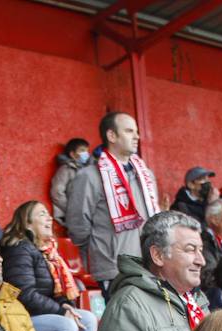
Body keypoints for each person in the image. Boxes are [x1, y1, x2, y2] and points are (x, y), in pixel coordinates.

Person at [0, 200, 98, 331]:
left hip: (39, 314)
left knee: (87, 319)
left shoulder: (45, 253)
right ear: (27, 223)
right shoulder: (19, 249)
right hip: (18, 319)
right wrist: (60, 311)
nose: (49, 219)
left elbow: (52, 293)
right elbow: (24, 294)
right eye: (42, 214)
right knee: (66, 325)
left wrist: (65, 306)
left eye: (48, 214)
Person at [66, 111, 158, 290]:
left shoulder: (145, 175)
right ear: (112, 135)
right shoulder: (89, 176)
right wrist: (102, 254)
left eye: (137, 131)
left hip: (150, 266)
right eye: (130, 131)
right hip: (114, 269)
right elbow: (78, 225)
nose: (137, 136)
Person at [50, 137, 90, 226]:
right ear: (72, 154)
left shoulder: (87, 170)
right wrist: (73, 210)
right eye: (82, 150)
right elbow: (57, 192)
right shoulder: (66, 169)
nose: (86, 154)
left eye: (87, 151)